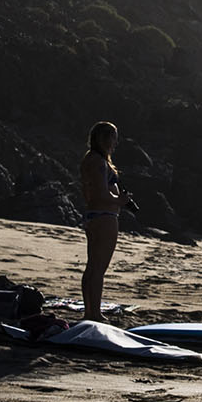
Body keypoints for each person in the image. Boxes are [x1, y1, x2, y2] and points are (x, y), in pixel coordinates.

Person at [80, 121, 134, 321]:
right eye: (114, 138)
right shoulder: (98, 162)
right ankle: (94, 312)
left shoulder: (90, 160)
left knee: (92, 266)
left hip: (94, 216)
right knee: (98, 268)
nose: (116, 143)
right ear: (104, 139)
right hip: (105, 217)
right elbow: (102, 193)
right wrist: (121, 201)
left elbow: (91, 192)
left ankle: (90, 311)